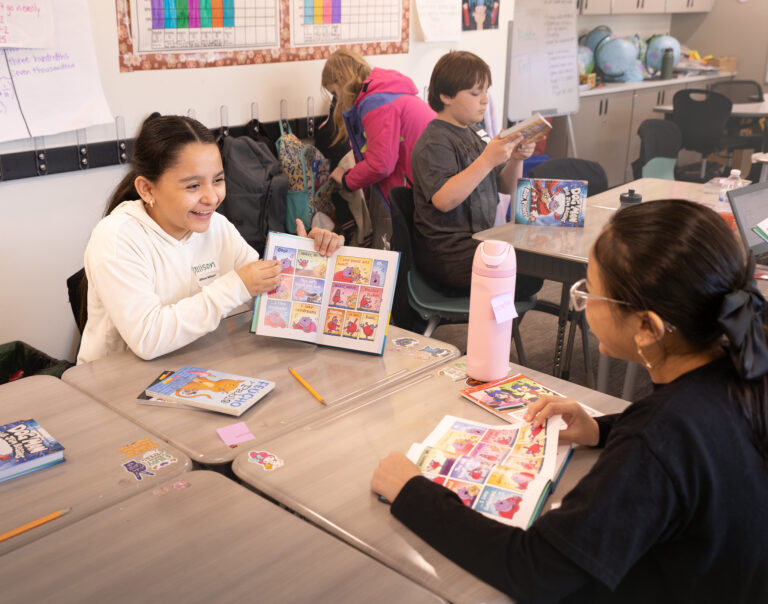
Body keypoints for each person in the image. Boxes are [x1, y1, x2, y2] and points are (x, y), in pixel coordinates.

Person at [372, 199, 768, 602]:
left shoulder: (658, 437)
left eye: (592, 292)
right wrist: (601, 429)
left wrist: (412, 491)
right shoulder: (741, 365)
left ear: (648, 327)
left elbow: (537, 570)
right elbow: (690, 442)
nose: (583, 301)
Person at [77, 115, 342, 364]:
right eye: (193, 186)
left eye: (218, 180)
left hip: (195, 368)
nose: (212, 197)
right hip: (116, 385)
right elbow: (148, 338)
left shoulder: (216, 226)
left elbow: (266, 294)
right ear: (147, 189)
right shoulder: (117, 238)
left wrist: (308, 261)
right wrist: (237, 285)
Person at [411, 50, 542, 297]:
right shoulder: (435, 141)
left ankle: (499, 328)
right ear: (445, 96)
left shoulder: (474, 132)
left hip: (479, 242)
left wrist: (515, 159)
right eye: (474, 93)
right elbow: (443, 200)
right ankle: (494, 331)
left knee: (535, 263)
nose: (484, 100)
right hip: (450, 255)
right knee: (530, 270)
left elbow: (505, 187)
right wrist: (486, 160)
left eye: (485, 92)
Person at [321, 49, 436, 207]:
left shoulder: (375, 103)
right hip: (430, 176)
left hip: (425, 184)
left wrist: (346, 179)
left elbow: (381, 164)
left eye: (335, 93)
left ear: (341, 78)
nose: (337, 101)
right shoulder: (385, 93)